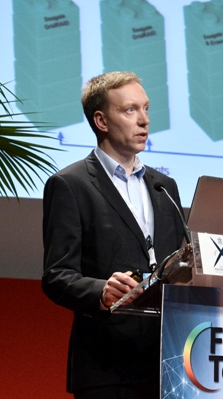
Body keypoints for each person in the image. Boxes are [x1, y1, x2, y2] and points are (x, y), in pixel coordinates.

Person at [42, 71, 187, 399]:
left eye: (146, 108)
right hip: (107, 367)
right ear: (101, 121)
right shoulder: (71, 185)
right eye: (130, 110)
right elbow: (56, 275)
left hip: (170, 365)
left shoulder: (165, 186)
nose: (144, 120)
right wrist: (101, 291)